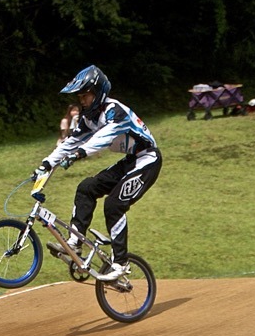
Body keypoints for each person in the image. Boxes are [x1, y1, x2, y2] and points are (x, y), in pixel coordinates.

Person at [31, 65, 162, 281]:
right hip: (131, 161)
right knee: (86, 188)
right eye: (80, 97)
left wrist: (80, 154)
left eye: (86, 96)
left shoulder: (115, 111)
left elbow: (104, 138)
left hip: (148, 160)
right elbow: (70, 142)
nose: (82, 101)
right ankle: (75, 242)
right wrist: (46, 164)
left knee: (114, 204)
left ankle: (120, 263)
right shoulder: (89, 118)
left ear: (98, 92)